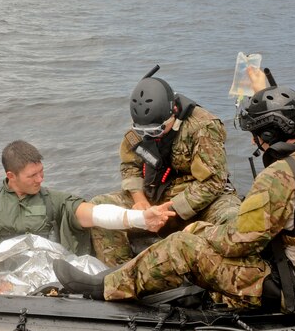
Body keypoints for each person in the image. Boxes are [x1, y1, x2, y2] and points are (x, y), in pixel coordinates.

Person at [56, 69, 295, 319]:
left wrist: (198, 232)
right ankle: (125, 273)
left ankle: (105, 287)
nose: (252, 143)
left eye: (256, 136)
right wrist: (263, 90)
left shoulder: (278, 176)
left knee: (182, 246)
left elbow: (239, 240)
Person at [0, 140, 175, 294]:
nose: (40, 179)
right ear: (11, 176)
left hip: (49, 269)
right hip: (6, 274)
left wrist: (140, 218)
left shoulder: (52, 199)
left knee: (94, 273)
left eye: (41, 172)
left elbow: (93, 214)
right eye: (32, 175)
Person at [89, 70, 240, 267]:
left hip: (199, 200)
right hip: (156, 195)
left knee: (234, 219)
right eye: (144, 132)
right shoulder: (140, 127)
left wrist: (170, 210)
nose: (151, 136)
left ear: (173, 113)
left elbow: (213, 182)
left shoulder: (203, 127)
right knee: (100, 206)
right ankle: (120, 272)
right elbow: (130, 165)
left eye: (157, 130)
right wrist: (140, 201)